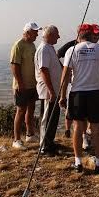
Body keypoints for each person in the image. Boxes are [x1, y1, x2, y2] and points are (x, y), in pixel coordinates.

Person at [59, 23, 99, 173]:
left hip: (77, 93)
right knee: (96, 129)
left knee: (77, 128)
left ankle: (78, 163)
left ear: (79, 34)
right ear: (90, 34)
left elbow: (66, 74)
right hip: (95, 92)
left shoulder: (72, 50)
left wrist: (62, 96)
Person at [10, 22, 41, 150]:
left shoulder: (32, 45)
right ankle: (16, 139)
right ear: (27, 32)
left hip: (32, 84)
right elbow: (14, 65)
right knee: (20, 110)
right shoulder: (18, 45)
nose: (37, 34)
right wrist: (20, 83)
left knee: (31, 108)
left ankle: (30, 134)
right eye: (35, 32)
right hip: (21, 85)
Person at [35, 25, 62, 156]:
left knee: (53, 117)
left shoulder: (49, 48)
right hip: (48, 91)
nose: (59, 37)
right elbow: (44, 70)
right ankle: (44, 147)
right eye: (57, 34)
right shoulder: (44, 49)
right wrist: (51, 91)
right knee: (47, 118)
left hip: (53, 90)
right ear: (50, 35)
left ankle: (49, 142)